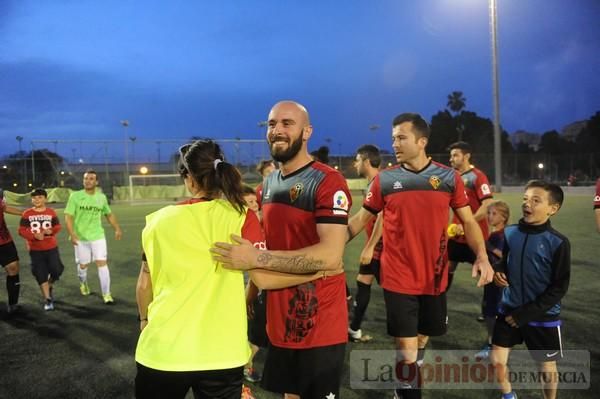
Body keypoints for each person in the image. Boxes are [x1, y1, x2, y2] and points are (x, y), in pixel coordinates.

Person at [346, 113, 493, 399]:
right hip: (397, 275)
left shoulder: (448, 178)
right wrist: (329, 243)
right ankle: (406, 391)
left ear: (422, 141)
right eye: (393, 139)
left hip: (434, 276)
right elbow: (361, 218)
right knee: (405, 345)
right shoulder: (385, 180)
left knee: (423, 336)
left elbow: (469, 221)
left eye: (402, 138)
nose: (395, 144)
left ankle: (409, 378)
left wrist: (482, 256)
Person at [211, 100, 351, 399]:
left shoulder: (328, 181)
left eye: (287, 123)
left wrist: (255, 259)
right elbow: (271, 240)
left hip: (320, 324)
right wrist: (251, 293)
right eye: (272, 124)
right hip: (280, 320)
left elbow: (330, 256)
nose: (277, 130)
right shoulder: (268, 185)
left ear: (307, 131)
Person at [135, 140, 266, 399]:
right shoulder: (242, 216)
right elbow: (263, 279)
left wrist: (144, 320)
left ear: (188, 178)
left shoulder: (158, 221)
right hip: (223, 353)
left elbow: (143, 285)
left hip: (164, 348)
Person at [491, 180, 570, 399]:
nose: (528, 204)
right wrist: (499, 272)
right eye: (526, 199)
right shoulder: (510, 233)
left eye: (536, 200)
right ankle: (509, 396)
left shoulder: (558, 242)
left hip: (542, 316)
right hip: (508, 310)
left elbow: (559, 287)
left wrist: (525, 314)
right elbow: (504, 261)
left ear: (552, 209)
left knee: (546, 369)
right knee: (496, 361)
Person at [64, 170, 122, 304]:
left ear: (96, 182)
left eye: (91, 179)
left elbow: (108, 214)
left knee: (102, 263)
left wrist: (117, 228)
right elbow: (68, 217)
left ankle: (107, 294)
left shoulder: (101, 197)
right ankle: (83, 283)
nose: (88, 181)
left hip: (98, 236)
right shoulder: (75, 196)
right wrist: (72, 234)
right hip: (80, 238)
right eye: (85, 178)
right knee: (83, 265)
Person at [446, 141, 494, 292]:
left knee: (487, 273)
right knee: (445, 270)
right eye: (451, 155)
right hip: (455, 235)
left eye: (455, 155)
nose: (451, 159)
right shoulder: (452, 177)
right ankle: (436, 310)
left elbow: (487, 204)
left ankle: (491, 312)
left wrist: (468, 223)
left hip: (476, 235)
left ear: (466, 156)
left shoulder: (477, 177)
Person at [348, 144, 383, 343]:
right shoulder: (373, 183)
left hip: (385, 249)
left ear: (367, 161)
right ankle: (354, 329)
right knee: (363, 283)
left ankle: (412, 334)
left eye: (358, 159)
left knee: (397, 294)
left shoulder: (379, 182)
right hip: (375, 247)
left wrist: (370, 246)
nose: (355, 163)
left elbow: (384, 217)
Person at [18, 189, 64, 311]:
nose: (36, 200)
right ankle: (48, 299)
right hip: (35, 249)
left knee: (57, 270)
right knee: (40, 273)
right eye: (34, 198)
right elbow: (21, 230)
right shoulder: (27, 214)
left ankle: (49, 284)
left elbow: (58, 226)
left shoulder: (51, 212)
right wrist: (33, 236)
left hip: (51, 247)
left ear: (45, 199)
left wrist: (52, 231)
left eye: (39, 197)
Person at [474, 200, 510, 359]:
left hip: (497, 280)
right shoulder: (496, 234)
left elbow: (504, 256)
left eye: (494, 214)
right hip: (492, 280)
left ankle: (493, 345)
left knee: (492, 312)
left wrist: (488, 246)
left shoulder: (501, 235)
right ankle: (495, 344)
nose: (489, 216)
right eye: (488, 213)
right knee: (489, 310)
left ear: (504, 217)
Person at [241, 184, 267, 383]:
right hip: (252, 285)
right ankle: (246, 366)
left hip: (263, 284)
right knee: (255, 333)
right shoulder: (242, 226)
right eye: (249, 202)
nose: (255, 205)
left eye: (255, 201)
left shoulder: (264, 222)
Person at [0, 188, 23, 314]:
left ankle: (13, 304)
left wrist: (24, 213)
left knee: (13, 268)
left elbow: (4, 207)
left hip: (4, 241)